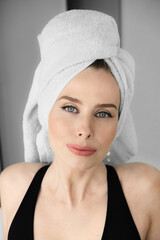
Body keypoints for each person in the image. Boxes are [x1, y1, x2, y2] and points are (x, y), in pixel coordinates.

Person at [0, 9, 160, 240]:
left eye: (103, 113)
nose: (85, 129)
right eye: (70, 108)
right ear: (45, 110)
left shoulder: (146, 188)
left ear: (119, 121)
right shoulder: (12, 184)